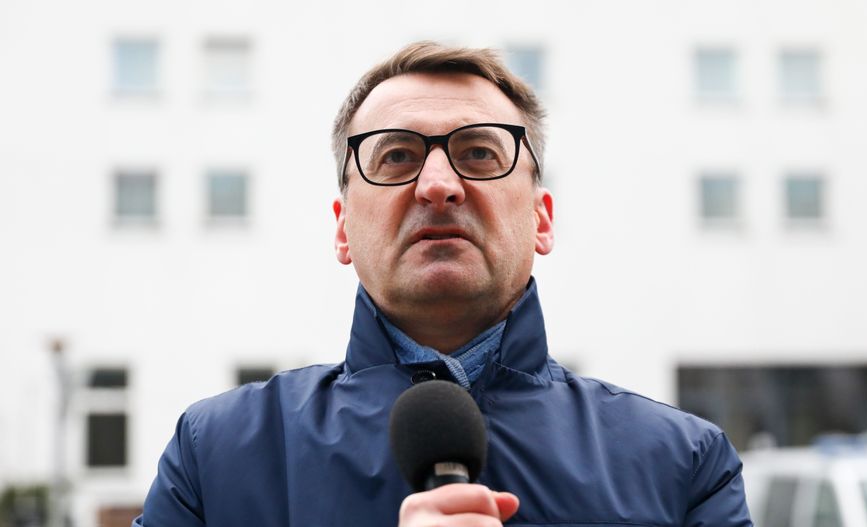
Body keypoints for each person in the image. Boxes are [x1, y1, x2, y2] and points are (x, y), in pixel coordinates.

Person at [134, 42, 752, 526]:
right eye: (396, 156)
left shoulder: (682, 466)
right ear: (344, 229)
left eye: (480, 153)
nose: (437, 184)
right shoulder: (217, 459)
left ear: (540, 219)